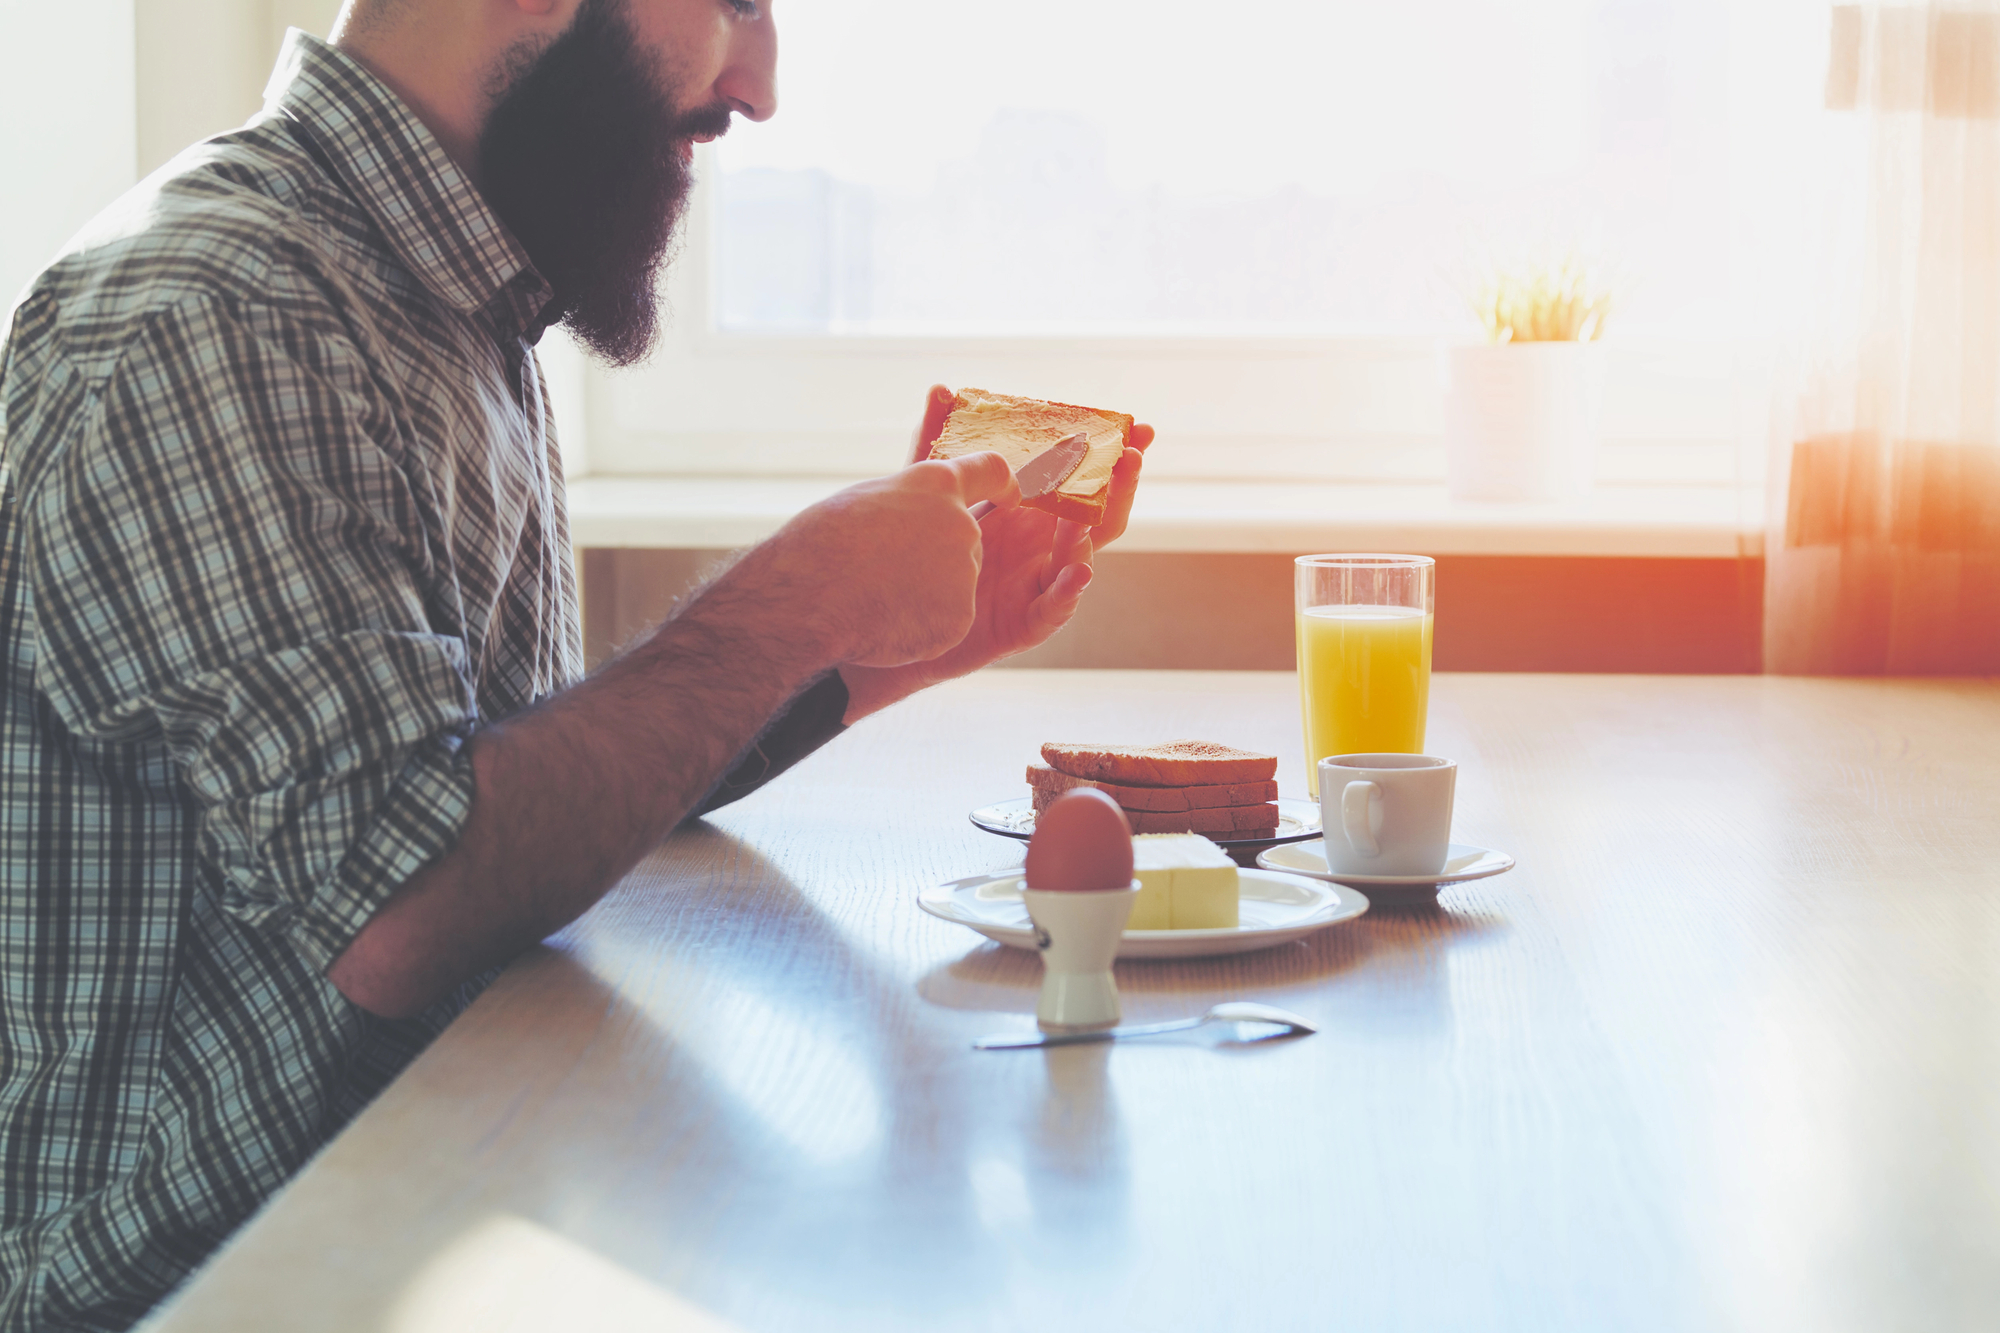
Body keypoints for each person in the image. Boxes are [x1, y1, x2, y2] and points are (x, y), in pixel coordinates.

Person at [0, 0, 1151, 1326]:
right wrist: (791, 603)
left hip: (443, 1184)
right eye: (734, 4)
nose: (760, 87)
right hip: (215, 1284)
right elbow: (406, 899)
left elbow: (518, 782)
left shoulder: (438, 293)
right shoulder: (217, 312)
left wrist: (863, 655)